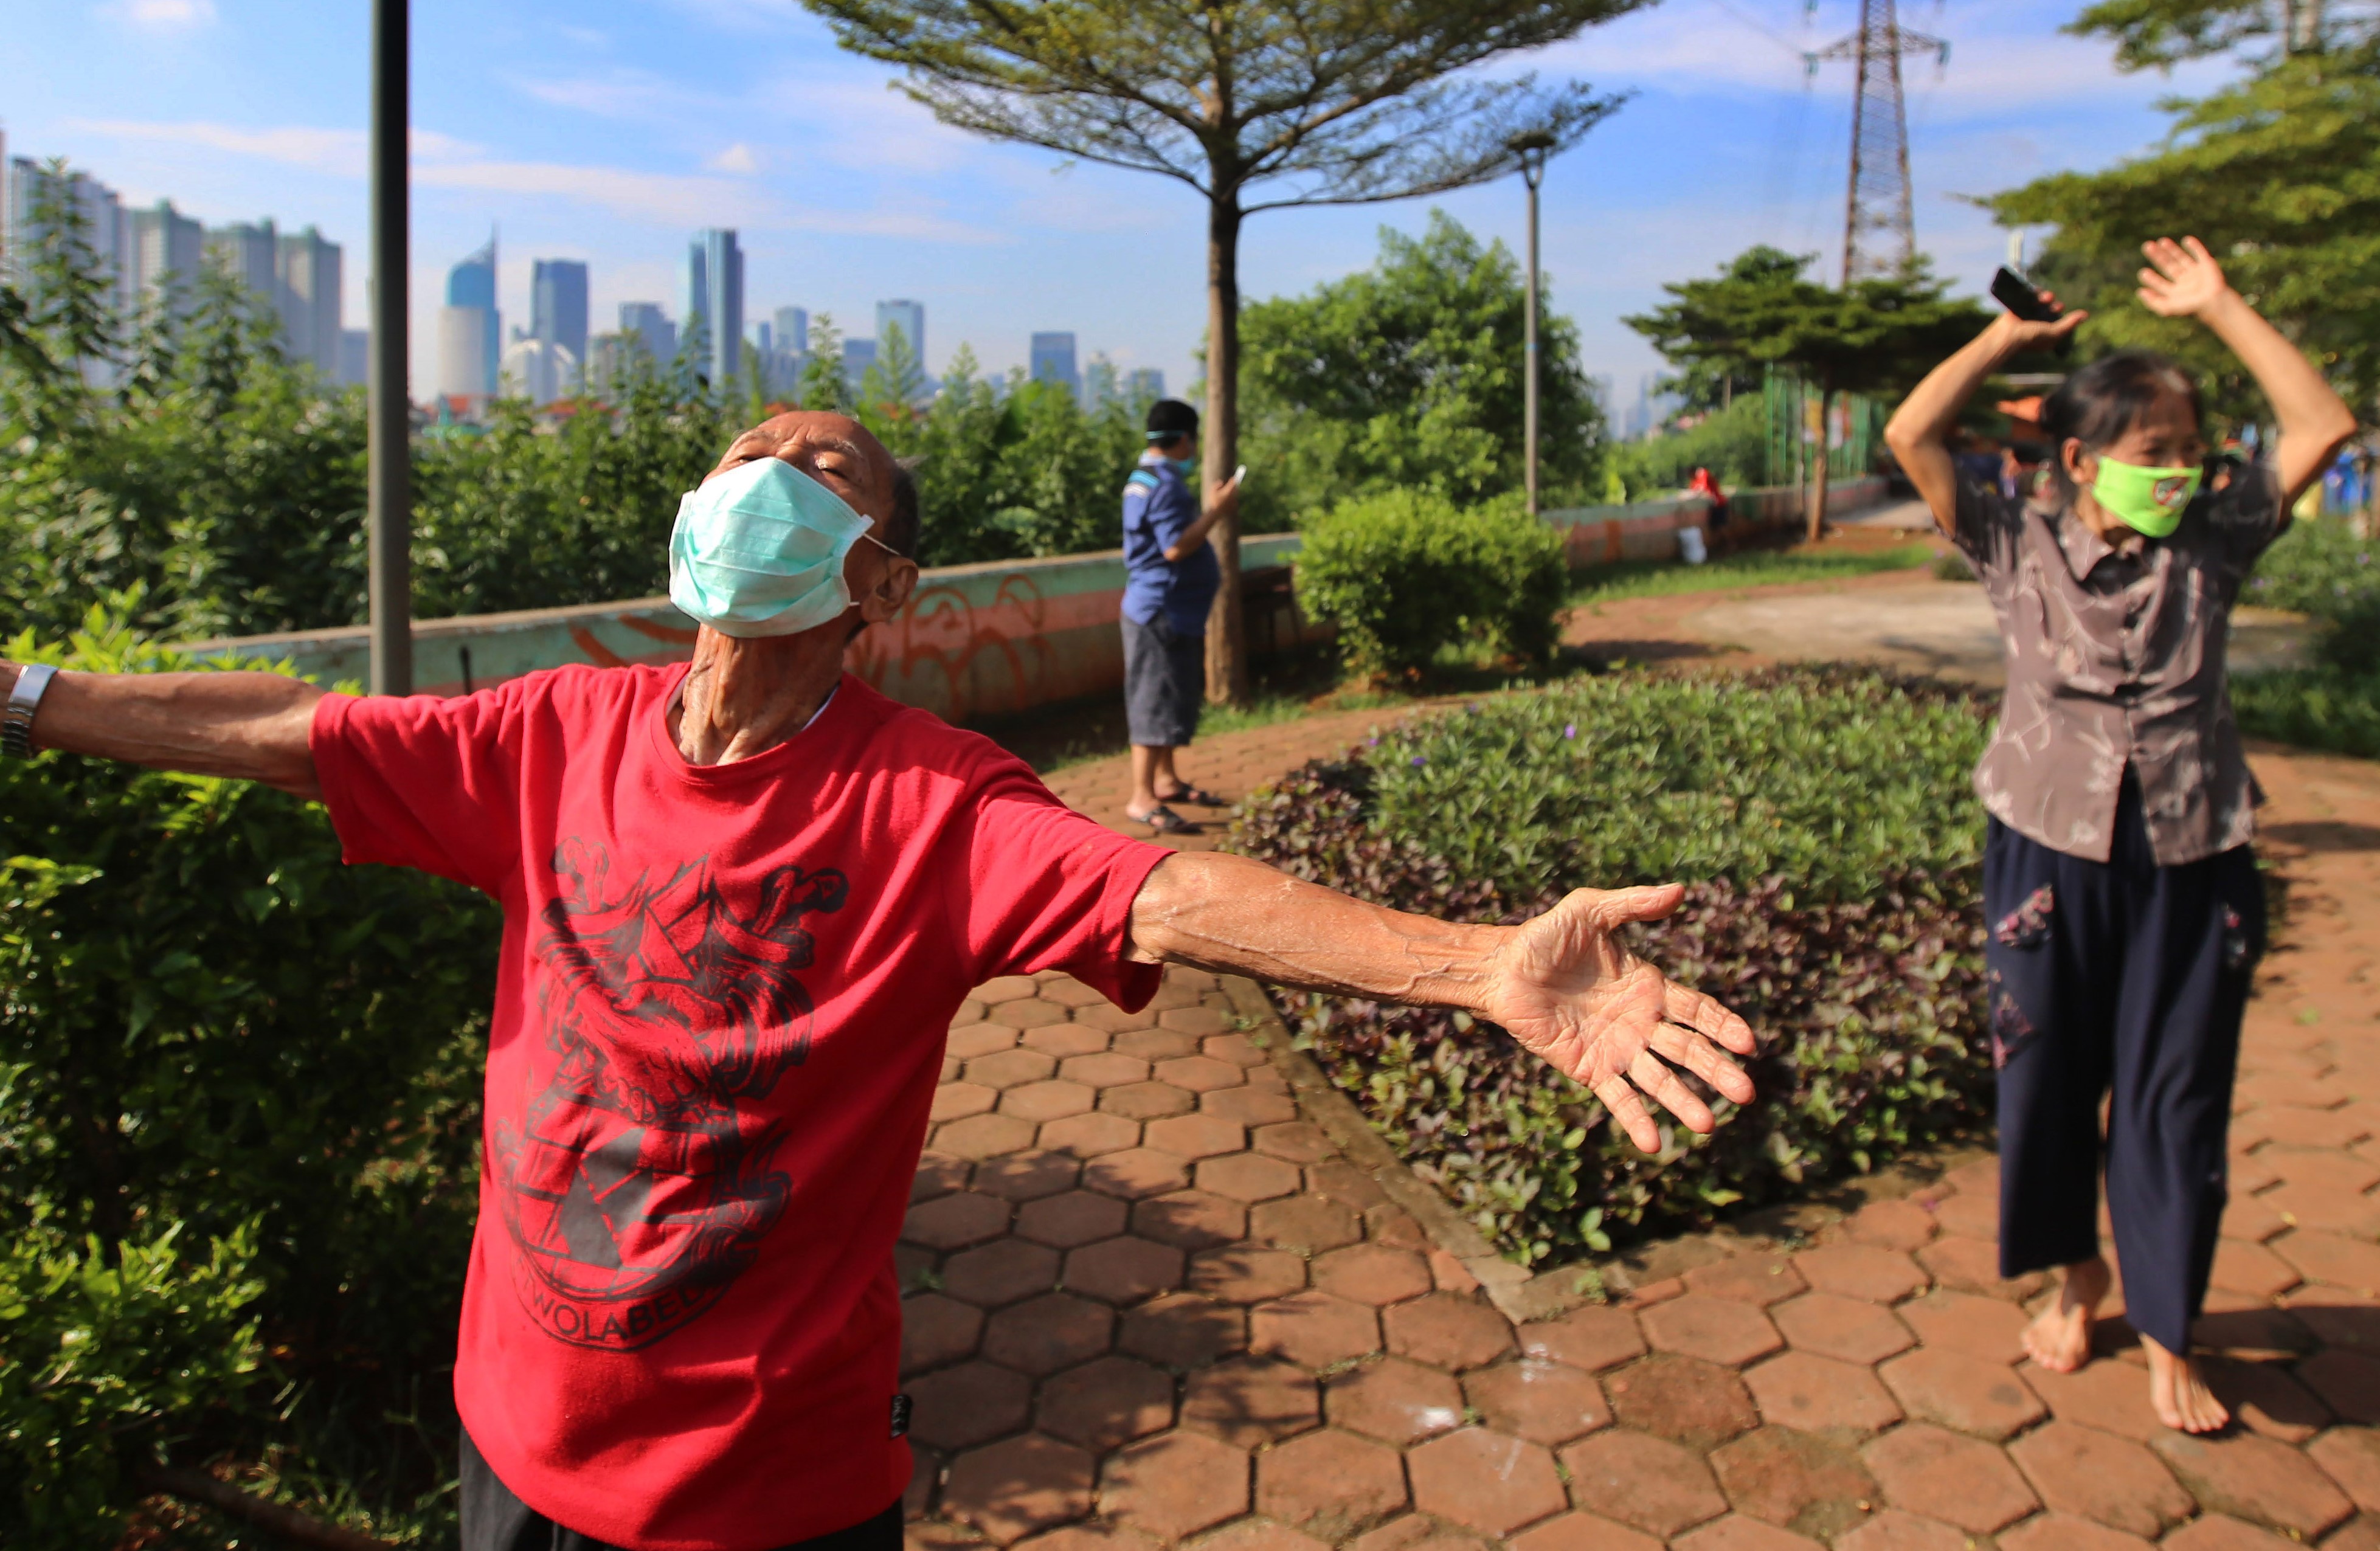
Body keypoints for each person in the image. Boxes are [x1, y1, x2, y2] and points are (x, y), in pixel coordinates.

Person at [0, 408, 1758, 1551]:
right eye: (753, 445)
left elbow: (1162, 890)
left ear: (882, 587)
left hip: (765, 1498)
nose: (770, 463)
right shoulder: (552, 733)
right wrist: (23, 695)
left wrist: (1476, 971)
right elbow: (296, 732)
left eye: (823, 468)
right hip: (510, 1445)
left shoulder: (932, 799)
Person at [1884, 237, 2356, 1434]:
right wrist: (2006, 338)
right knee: (2043, 1078)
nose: (2180, 472)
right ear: (2084, 461)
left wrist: (2221, 304)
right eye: (2156, 457)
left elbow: (2321, 428)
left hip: (2197, 858)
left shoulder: (2217, 539)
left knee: (2175, 1096)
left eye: (2191, 453)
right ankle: (2073, 1280)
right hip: (2044, 849)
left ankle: (2165, 1329)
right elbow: (1909, 438)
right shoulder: (2015, 542)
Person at [1119, 397, 1239, 834]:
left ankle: (1166, 781)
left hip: (1162, 609)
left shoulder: (1142, 478)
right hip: (1160, 612)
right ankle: (1141, 797)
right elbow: (1175, 547)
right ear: (1185, 439)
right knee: (1153, 703)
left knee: (1169, 699)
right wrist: (1216, 512)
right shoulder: (1165, 485)